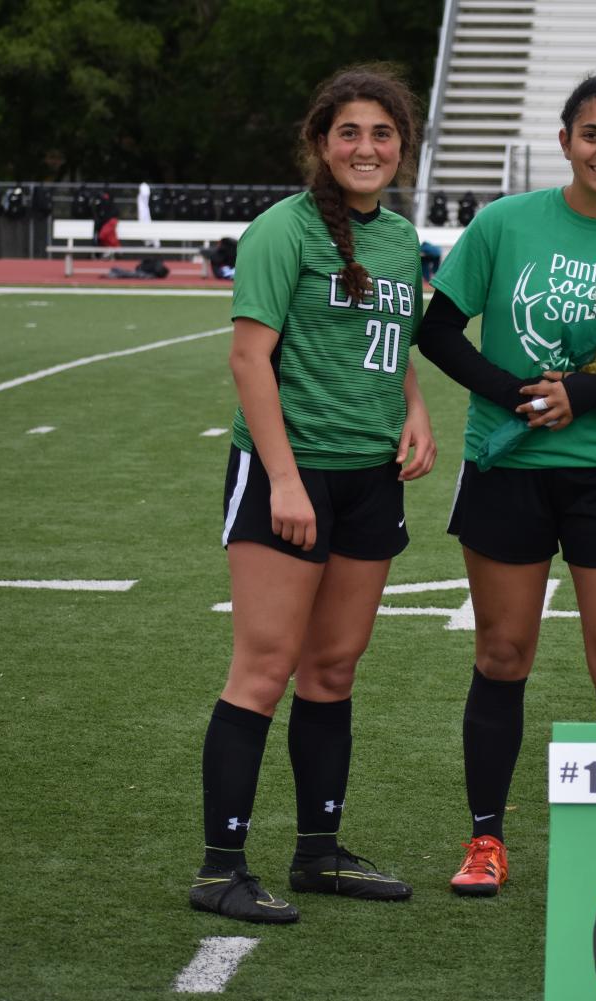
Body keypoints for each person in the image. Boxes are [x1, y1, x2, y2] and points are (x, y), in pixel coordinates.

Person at [414, 71, 596, 897]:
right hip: (507, 469)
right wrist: (517, 393)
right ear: (565, 137)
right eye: (593, 133)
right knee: (502, 655)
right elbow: (436, 332)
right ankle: (486, 840)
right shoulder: (504, 222)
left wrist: (584, 394)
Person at [190, 64, 437, 925]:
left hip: (371, 476)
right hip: (285, 473)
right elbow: (248, 359)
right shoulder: (280, 231)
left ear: (401, 147)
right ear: (319, 142)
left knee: (332, 669)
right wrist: (286, 479)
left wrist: (414, 409)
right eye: (349, 133)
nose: (365, 148)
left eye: (381, 134)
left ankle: (318, 852)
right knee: (263, 669)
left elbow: (390, 339)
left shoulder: (403, 240)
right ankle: (220, 864)